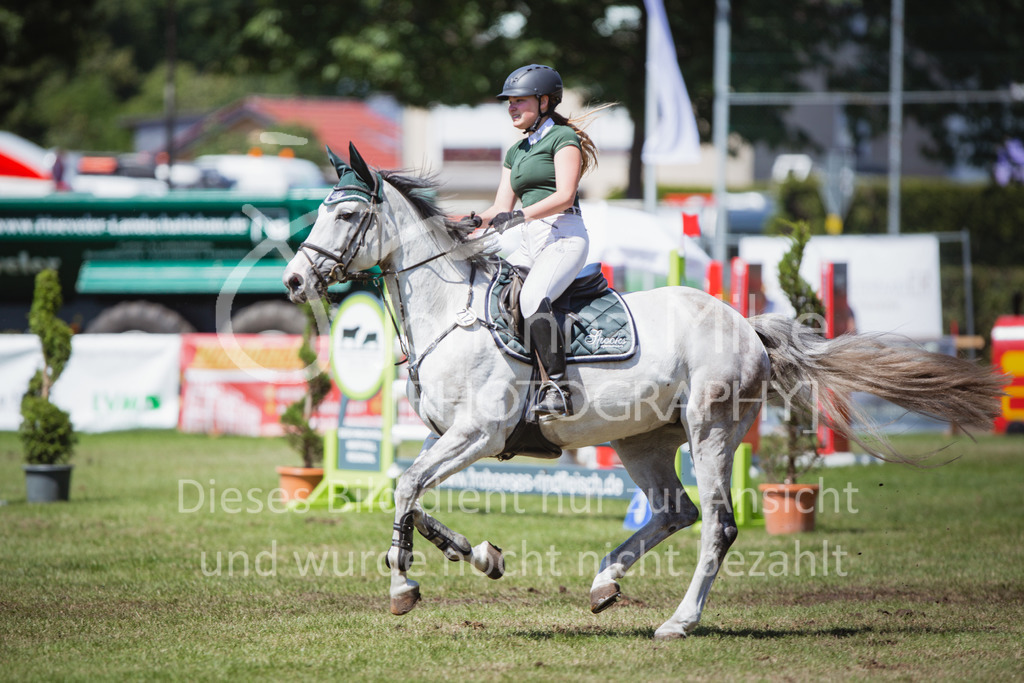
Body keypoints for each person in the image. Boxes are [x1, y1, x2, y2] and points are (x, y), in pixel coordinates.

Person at [471, 64, 603, 420]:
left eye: (519, 101)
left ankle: (560, 388)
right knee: (492, 291)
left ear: (544, 102)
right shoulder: (516, 151)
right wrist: (469, 222)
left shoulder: (563, 139)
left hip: (563, 235)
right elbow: (500, 207)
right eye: (509, 102)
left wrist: (518, 217)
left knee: (531, 298)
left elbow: (564, 194)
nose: (511, 107)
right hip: (530, 239)